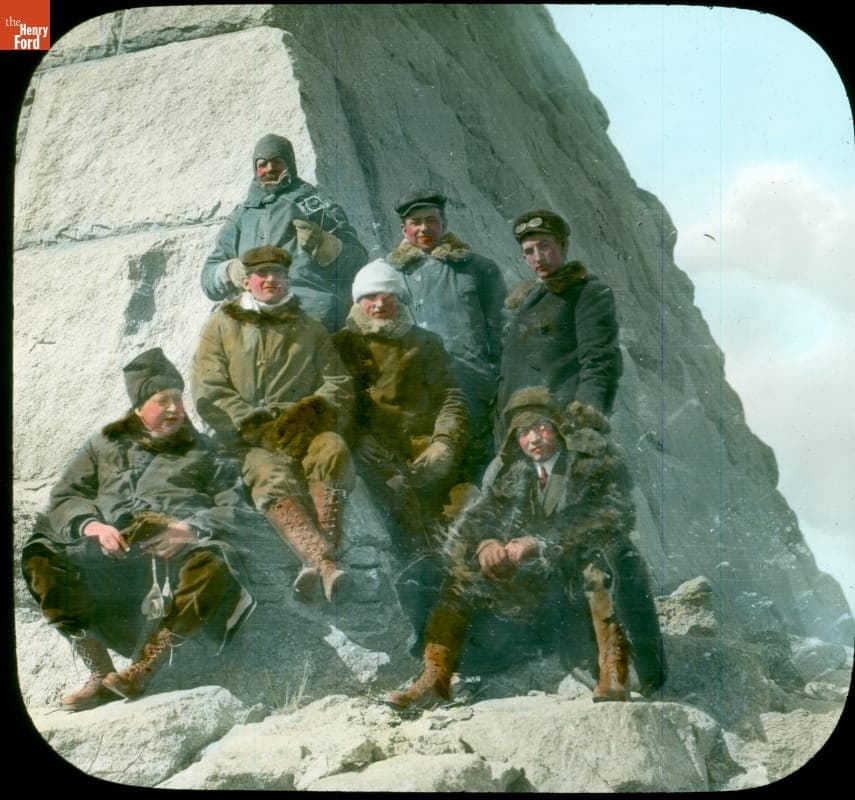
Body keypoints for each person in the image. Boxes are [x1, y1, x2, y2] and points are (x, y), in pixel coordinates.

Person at [386, 386, 666, 709]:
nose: (532, 439)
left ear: (558, 428)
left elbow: (611, 515)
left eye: (540, 428)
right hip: (537, 593)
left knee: (598, 563)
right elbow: (478, 520)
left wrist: (542, 542)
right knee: (456, 578)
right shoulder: (512, 472)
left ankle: (615, 669)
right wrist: (485, 545)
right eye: (522, 432)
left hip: (582, 592)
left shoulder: (592, 462)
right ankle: (434, 679)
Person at [20, 348, 256, 712]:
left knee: (214, 564)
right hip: (111, 560)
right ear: (138, 409)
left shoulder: (205, 451)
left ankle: (141, 672)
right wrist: (93, 525)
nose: (175, 410)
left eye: (179, 400)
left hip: (172, 563)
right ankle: (100, 673)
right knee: (41, 556)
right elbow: (66, 495)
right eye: (163, 401)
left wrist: (189, 529)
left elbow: (236, 506)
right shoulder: (103, 444)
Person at [192, 245, 355, 604]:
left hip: (301, 431)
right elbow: (208, 387)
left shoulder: (309, 327)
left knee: (333, 450)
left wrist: (309, 413)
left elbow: (338, 384)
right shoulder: (222, 325)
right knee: (267, 474)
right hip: (249, 440)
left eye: (277, 275)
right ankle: (326, 563)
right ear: (247, 282)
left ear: (287, 279)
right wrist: (252, 424)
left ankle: (314, 563)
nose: (270, 281)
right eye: (261, 275)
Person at [334, 258, 471, 649]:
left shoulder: (425, 343)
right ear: (357, 301)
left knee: (467, 514)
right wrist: (360, 445)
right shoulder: (342, 344)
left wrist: (445, 443)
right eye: (369, 297)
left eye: (388, 296)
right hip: (379, 459)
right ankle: (428, 628)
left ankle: (469, 618)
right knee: (410, 523)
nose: (379, 304)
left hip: (429, 453)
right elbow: (340, 408)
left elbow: (451, 397)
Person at [387, 188, 507, 481]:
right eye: (415, 222)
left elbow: (502, 332)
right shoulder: (390, 274)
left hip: (471, 386)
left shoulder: (478, 269)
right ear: (404, 229)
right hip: (418, 392)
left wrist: (495, 382)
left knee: (475, 472)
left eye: (431, 220)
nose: (424, 228)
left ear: (444, 223)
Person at [201, 132, 368, 332]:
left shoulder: (313, 205)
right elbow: (208, 278)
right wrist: (228, 271)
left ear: (289, 164)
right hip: (254, 319)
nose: (270, 168)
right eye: (263, 164)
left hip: (309, 313)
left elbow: (358, 259)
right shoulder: (241, 217)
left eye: (277, 162)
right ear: (256, 169)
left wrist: (328, 246)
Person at [495, 210, 622, 441]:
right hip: (519, 425)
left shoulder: (588, 293)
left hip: (559, 424)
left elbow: (599, 360)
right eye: (529, 251)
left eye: (544, 246)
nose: (538, 257)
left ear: (562, 246)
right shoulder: (525, 302)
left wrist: (586, 419)